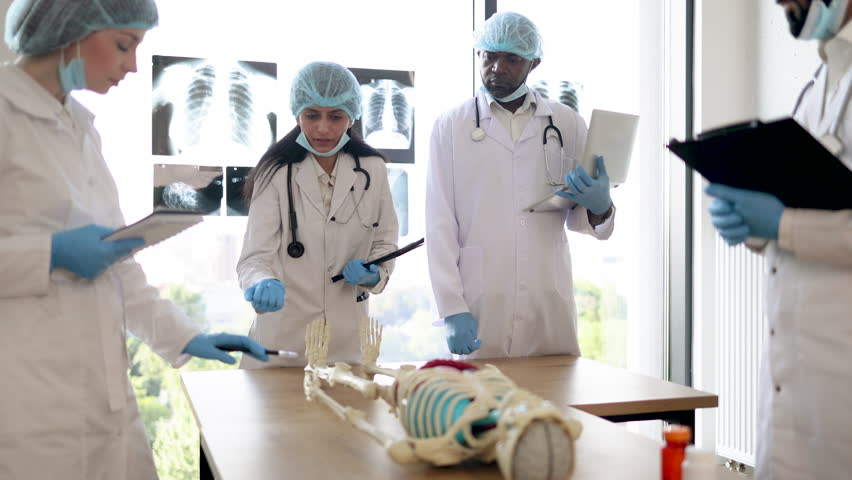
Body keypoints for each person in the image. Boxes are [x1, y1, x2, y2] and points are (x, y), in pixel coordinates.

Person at [0, 1, 270, 478]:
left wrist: (187, 335)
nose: (133, 65)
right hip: (25, 410)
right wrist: (47, 255)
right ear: (69, 29)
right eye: (124, 45)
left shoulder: (80, 128)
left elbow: (118, 267)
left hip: (107, 404)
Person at [705, 1, 852, 478]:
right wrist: (753, 224)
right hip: (795, 383)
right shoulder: (819, 84)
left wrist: (782, 224)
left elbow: (795, 221)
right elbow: (807, 204)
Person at [425, 12, 615, 358]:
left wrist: (601, 207)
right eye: (490, 56)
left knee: (553, 405)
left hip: (548, 297)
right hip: (481, 298)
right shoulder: (450, 126)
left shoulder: (567, 123)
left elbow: (581, 217)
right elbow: (439, 223)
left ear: (533, 63)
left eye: (512, 58)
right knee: (480, 406)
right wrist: (451, 307)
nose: (498, 67)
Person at [237, 61, 399, 368]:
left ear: (351, 115)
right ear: (297, 112)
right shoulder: (275, 172)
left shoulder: (373, 169)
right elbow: (254, 258)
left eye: (335, 116)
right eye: (312, 115)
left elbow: (386, 242)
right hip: (281, 344)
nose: (322, 128)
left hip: (345, 346)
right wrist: (261, 282)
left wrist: (375, 272)